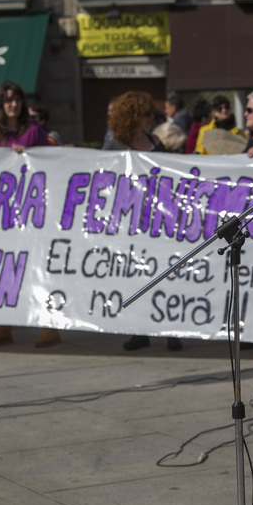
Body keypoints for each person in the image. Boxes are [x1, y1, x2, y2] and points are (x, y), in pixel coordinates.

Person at [0, 81, 59, 349]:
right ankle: (3, 327)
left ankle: (49, 327)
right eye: (8, 100)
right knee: (2, 268)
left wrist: (30, 156)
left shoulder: (33, 131)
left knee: (35, 268)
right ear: (0, 104)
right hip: (0, 214)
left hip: (31, 212)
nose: (13, 104)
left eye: (17, 99)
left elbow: (56, 160)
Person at [104, 91, 182, 352]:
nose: (152, 117)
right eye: (147, 113)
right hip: (129, 221)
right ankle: (140, 332)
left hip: (156, 218)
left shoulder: (154, 141)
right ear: (133, 116)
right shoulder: (115, 144)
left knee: (163, 274)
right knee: (136, 276)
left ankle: (171, 329)